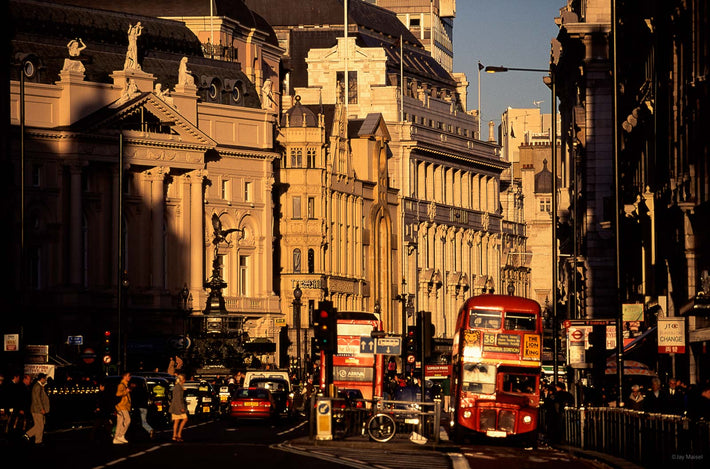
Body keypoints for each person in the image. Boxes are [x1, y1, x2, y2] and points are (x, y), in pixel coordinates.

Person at [24, 373, 50, 445]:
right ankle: (38, 440)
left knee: (39, 425)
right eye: (45, 378)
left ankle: (28, 435)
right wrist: (41, 408)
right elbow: (37, 399)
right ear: (42, 378)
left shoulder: (39, 386)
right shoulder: (37, 386)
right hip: (37, 409)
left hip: (36, 409)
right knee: (40, 426)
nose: (45, 380)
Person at [113, 372, 131, 444]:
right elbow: (118, 394)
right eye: (128, 376)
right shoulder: (121, 385)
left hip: (123, 406)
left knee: (120, 422)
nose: (130, 377)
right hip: (121, 406)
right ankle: (121, 435)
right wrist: (126, 391)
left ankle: (116, 438)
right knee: (128, 420)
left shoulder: (125, 385)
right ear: (124, 377)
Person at [170, 374, 187, 442]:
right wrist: (181, 407)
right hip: (177, 406)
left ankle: (175, 435)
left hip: (175, 406)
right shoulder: (178, 387)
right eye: (184, 379)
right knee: (185, 419)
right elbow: (178, 398)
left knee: (176, 421)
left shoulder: (178, 387)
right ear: (182, 380)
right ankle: (178, 434)